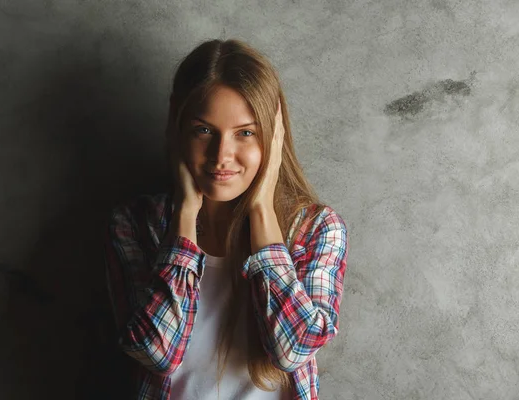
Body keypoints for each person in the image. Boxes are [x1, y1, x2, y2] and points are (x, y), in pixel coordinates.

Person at [103, 39, 349, 400]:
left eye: (245, 133)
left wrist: (263, 208)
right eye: (204, 130)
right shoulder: (135, 224)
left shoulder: (316, 229)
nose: (222, 156)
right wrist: (186, 215)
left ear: (273, 138)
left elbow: (293, 350)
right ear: (178, 126)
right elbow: (158, 353)